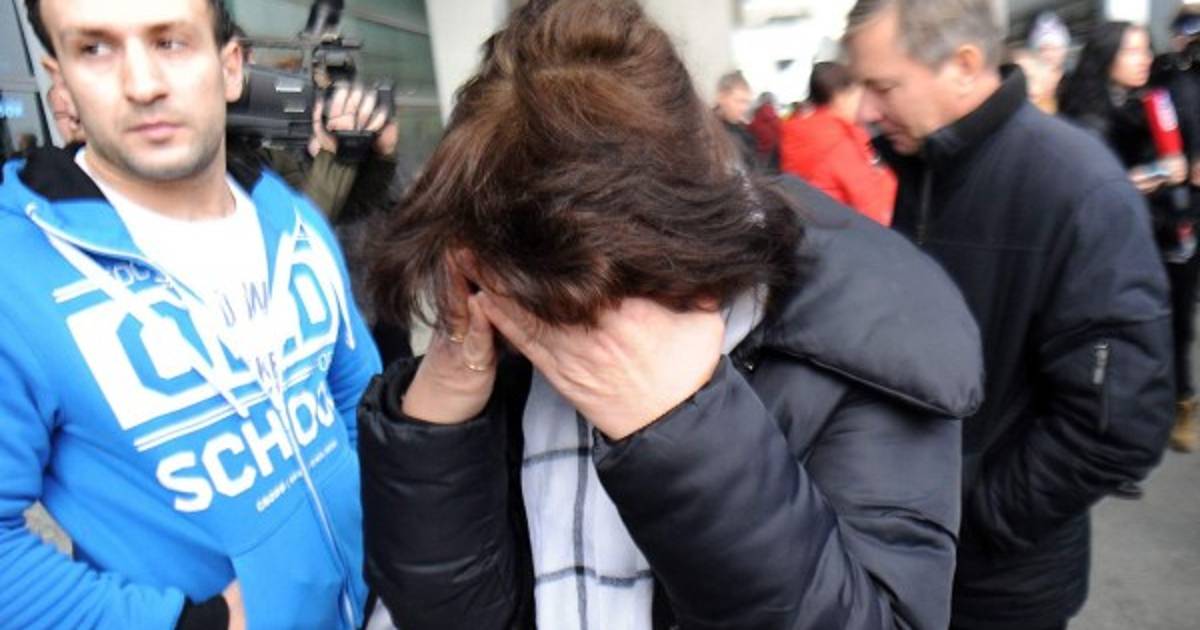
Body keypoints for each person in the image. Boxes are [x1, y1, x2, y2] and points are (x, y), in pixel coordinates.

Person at [358, 1, 983, 629]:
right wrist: (440, 417)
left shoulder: (868, 326)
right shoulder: (506, 304)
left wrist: (682, 430)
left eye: (579, 301)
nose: (554, 326)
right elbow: (446, 612)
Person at [0, 0, 381, 628]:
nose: (142, 85)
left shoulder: (290, 218)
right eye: (95, 48)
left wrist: (386, 538)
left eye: (169, 41)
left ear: (230, 68)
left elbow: (355, 399)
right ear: (60, 82)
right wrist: (192, 625)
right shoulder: (15, 276)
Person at [843, 1, 1175, 629]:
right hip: (909, 558)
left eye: (882, 86)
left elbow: (1119, 422)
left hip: (998, 582)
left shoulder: (1077, 188)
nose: (865, 110)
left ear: (965, 65)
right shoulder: (921, 169)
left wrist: (975, 515)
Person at [1060, 22, 1198, 458]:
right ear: (1106, 57)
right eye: (1131, 51)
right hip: (1113, 248)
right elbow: (1098, 185)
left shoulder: (1149, 100)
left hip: (1160, 232)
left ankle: (1173, 405)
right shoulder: (1087, 114)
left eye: (1145, 50)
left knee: (1171, 326)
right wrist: (1159, 172)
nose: (1144, 59)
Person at [780, 60, 897, 225]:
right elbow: (873, 211)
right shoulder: (838, 140)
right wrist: (886, 179)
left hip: (812, 229)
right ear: (842, 96)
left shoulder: (799, 132)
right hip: (844, 230)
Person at [714, 70, 760, 171]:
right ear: (721, 97)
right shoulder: (705, 130)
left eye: (747, 103)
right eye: (740, 101)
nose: (744, 108)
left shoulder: (743, 133)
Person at [1027, 11, 1071, 113]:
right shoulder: (1029, 85)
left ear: (1064, 51)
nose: (1049, 55)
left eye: (1054, 49)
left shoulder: (1073, 82)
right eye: (1043, 49)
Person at [748, 91, 782, 172]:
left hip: (758, 160)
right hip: (775, 161)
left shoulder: (754, 121)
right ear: (773, 102)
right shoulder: (778, 121)